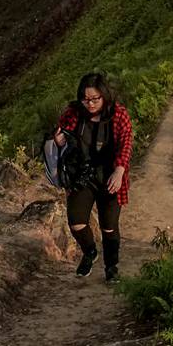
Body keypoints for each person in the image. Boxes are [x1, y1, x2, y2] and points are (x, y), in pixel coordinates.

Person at [53, 73, 132, 282]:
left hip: (110, 175)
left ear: (104, 95)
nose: (90, 104)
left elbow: (126, 143)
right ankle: (89, 251)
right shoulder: (73, 114)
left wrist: (120, 170)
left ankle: (111, 267)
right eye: (86, 99)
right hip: (82, 176)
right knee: (76, 221)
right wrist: (59, 142)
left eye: (95, 99)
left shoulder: (118, 114)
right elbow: (63, 143)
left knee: (109, 225)